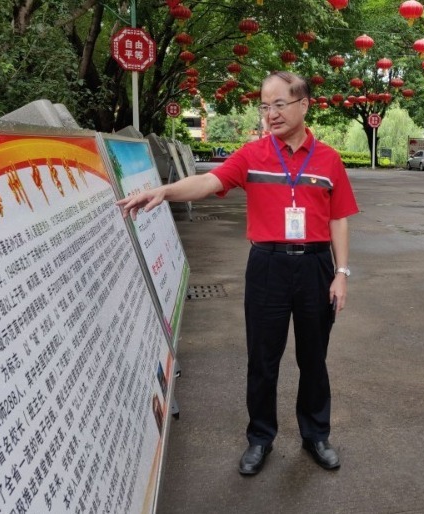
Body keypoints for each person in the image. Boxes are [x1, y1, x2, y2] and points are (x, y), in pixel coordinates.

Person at [116, 71, 359, 475]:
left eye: (280, 104)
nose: (271, 114)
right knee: (263, 359)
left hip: (316, 265)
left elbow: (339, 220)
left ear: (304, 105)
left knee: (314, 356)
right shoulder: (253, 156)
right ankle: (260, 438)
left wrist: (342, 272)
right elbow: (209, 182)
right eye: (265, 106)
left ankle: (316, 434)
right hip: (267, 266)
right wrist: (165, 191)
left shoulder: (329, 159)